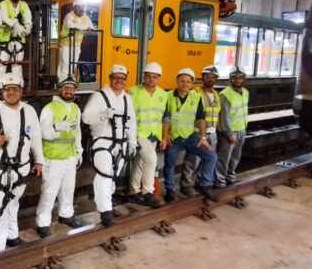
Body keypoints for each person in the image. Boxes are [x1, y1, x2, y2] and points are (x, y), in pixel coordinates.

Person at [0, 72, 43, 253]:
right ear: (2, 92)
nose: (11, 92)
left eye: (14, 89)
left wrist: (39, 161)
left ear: (21, 91)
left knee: (13, 203)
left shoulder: (29, 111)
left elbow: (35, 138)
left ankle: (12, 235)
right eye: (7, 89)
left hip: (21, 168)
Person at [82, 64, 137, 227]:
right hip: (102, 141)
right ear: (110, 78)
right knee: (105, 174)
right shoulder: (99, 96)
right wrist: (103, 115)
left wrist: (132, 142)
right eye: (116, 78)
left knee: (112, 176)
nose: (119, 81)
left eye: (122, 78)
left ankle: (107, 203)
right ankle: (105, 212)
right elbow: (86, 118)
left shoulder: (127, 98)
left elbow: (132, 122)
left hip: (122, 144)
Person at [161, 68, 218, 204]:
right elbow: (166, 118)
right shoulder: (168, 96)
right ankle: (170, 190)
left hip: (190, 136)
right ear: (177, 81)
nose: (185, 84)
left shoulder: (196, 97)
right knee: (170, 163)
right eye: (182, 81)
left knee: (211, 156)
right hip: (174, 138)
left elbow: (200, 119)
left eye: (188, 81)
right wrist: (165, 136)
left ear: (192, 83)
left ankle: (205, 185)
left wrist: (203, 137)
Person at [36, 75, 83, 238]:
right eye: (66, 88)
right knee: (50, 192)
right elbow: (41, 133)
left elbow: (77, 133)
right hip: (53, 158)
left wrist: (79, 151)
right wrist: (57, 127)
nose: (69, 91)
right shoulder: (50, 108)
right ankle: (43, 223)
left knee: (68, 189)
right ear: (60, 89)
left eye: (72, 88)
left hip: (70, 157)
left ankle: (66, 215)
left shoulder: (76, 109)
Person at [129, 62, 167, 208]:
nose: (151, 79)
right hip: (138, 132)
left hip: (154, 134)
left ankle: (134, 191)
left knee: (140, 162)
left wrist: (163, 136)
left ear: (159, 78)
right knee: (151, 159)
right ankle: (148, 192)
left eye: (155, 77)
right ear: (143, 77)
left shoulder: (163, 94)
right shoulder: (133, 92)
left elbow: (165, 117)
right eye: (148, 76)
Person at [181, 65, 221, 195]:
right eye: (208, 77)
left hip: (212, 133)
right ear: (203, 78)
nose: (211, 79)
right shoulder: (195, 92)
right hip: (197, 132)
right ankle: (186, 185)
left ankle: (201, 183)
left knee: (207, 160)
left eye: (213, 77)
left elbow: (217, 113)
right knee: (193, 160)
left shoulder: (216, 94)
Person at [216, 67, 250, 188]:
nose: (237, 80)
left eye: (240, 77)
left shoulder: (246, 92)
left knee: (236, 157)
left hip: (241, 129)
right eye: (234, 77)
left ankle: (230, 177)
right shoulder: (225, 94)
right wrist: (229, 133)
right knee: (224, 157)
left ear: (243, 78)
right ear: (230, 79)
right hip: (230, 132)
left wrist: (244, 128)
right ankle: (220, 180)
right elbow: (223, 117)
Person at [0, 0, 32, 86]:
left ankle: (18, 85)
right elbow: (4, 18)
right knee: (1, 65)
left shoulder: (24, 5)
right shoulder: (3, 4)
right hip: (4, 39)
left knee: (17, 65)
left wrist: (28, 28)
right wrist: (15, 24)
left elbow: (28, 19)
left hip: (19, 39)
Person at [57, 2, 94, 84]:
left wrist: (80, 26)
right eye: (80, 7)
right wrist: (83, 27)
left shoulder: (86, 18)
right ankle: (63, 82)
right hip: (66, 44)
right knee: (65, 64)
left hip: (77, 45)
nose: (82, 9)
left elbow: (91, 27)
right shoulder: (69, 16)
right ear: (74, 8)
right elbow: (71, 25)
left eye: (83, 7)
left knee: (73, 64)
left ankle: (69, 81)